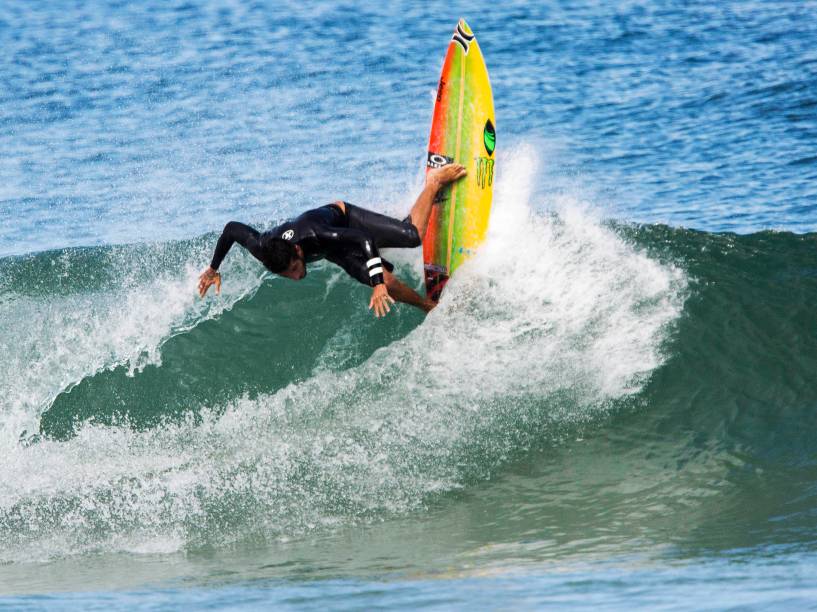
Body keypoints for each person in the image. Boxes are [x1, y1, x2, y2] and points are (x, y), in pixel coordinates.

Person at [197, 164, 466, 317]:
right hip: (333, 250)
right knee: (388, 280)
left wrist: (376, 285)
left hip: (343, 220)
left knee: (411, 237)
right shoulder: (266, 249)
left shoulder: (315, 233)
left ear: (298, 250)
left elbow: (361, 238)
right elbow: (232, 229)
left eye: (294, 268)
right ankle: (429, 307)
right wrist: (213, 268)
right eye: (287, 274)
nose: (295, 276)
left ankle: (434, 182)